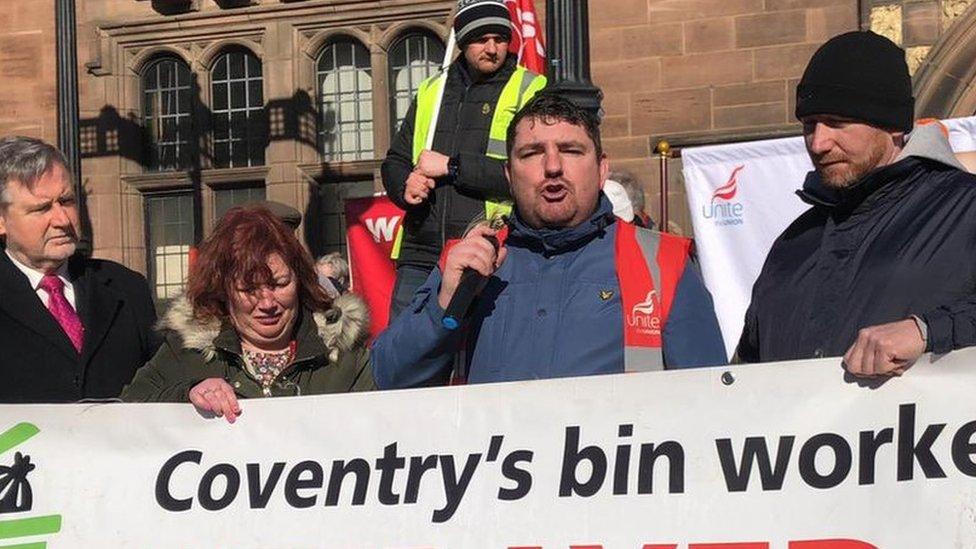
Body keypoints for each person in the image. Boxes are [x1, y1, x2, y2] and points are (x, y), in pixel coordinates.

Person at [372, 94, 727, 388]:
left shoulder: (665, 262)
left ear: (602, 168)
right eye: (532, 153)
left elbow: (711, 403)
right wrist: (444, 304)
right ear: (509, 176)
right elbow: (390, 380)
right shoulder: (466, 263)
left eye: (571, 150)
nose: (553, 166)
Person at [735, 31, 976, 377]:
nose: (818, 143)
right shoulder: (793, 244)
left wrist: (926, 332)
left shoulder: (965, 209)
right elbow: (744, 376)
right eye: (809, 125)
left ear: (892, 124)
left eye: (837, 123)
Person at [121, 206, 374, 420]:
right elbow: (123, 415)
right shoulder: (185, 352)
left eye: (280, 284)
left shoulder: (345, 357)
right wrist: (187, 394)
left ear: (300, 281)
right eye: (248, 288)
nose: (267, 303)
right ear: (223, 289)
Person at [382, 0, 546, 320]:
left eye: (500, 39)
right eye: (481, 39)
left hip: (490, 246)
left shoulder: (531, 89)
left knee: (483, 357)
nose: (492, 48)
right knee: (406, 354)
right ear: (462, 41)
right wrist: (405, 185)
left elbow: (530, 174)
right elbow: (395, 160)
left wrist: (452, 167)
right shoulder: (432, 90)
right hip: (421, 250)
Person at [0, 136, 160, 403]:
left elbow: (166, 379)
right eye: (41, 208)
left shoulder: (127, 287)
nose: (63, 220)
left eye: (67, 201)